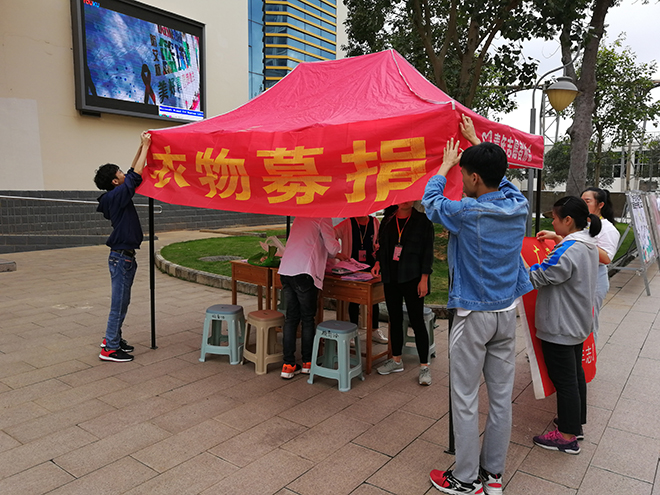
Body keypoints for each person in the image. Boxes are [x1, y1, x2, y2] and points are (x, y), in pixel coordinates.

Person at [423, 115, 533, 495]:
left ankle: (465, 478)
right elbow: (502, 182)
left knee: (465, 397)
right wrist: (476, 141)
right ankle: (493, 475)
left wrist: (444, 166)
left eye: (465, 175)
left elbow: (431, 202)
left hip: (473, 316)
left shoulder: (467, 213)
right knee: (501, 400)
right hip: (505, 314)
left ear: (472, 178)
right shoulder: (518, 205)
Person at [529, 196, 601, 455]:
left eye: (555, 218)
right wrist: (558, 238)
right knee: (575, 375)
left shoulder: (569, 250)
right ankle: (574, 423)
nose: (552, 222)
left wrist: (516, 261)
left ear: (568, 220)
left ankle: (567, 437)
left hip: (560, 325)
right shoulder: (588, 244)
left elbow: (540, 275)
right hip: (577, 322)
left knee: (565, 380)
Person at [94, 131, 151, 362]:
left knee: (122, 301)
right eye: (118, 172)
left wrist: (141, 146)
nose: (123, 173)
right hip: (121, 258)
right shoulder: (116, 196)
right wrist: (146, 146)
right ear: (114, 182)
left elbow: (131, 171)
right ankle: (109, 348)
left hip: (124, 257)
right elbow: (135, 175)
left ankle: (114, 339)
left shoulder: (116, 195)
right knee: (118, 304)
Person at [537, 187, 619, 344]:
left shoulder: (608, 229)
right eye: (581, 200)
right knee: (573, 318)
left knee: (589, 320)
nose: (583, 204)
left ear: (600, 204)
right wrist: (558, 237)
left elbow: (607, 258)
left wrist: (581, 243)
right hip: (577, 276)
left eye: (587, 201)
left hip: (593, 277)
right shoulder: (584, 226)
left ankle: (588, 354)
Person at [372, 201, 435, 386]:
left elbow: (427, 253)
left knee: (417, 321)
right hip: (391, 278)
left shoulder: (423, 221)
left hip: (413, 277)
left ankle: (424, 366)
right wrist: (378, 263)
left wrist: (424, 279)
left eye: (409, 197)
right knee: (395, 319)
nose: (405, 200)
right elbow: (382, 247)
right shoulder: (387, 221)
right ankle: (396, 360)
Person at [278, 217, 345, 379]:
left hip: (287, 270)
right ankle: (308, 362)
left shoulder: (301, 215)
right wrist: (339, 246)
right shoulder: (323, 217)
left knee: (291, 318)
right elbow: (332, 248)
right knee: (308, 319)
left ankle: (288, 364)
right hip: (304, 272)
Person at [334, 215, 388, 344]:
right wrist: (337, 253)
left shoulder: (375, 222)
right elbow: (330, 235)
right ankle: (353, 332)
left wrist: (377, 247)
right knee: (354, 300)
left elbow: (380, 240)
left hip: (371, 267)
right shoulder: (347, 223)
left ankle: (374, 330)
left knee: (374, 300)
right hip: (352, 267)